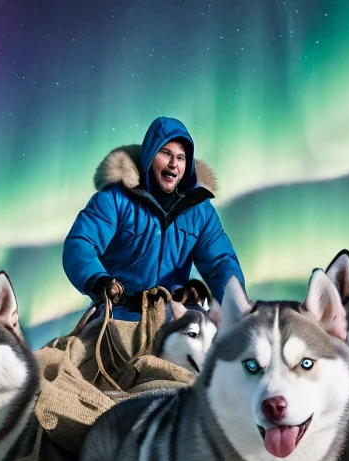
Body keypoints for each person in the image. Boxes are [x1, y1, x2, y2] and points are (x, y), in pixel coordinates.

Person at [62, 116, 244, 319]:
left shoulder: (200, 211)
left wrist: (239, 309)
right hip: (117, 315)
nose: (173, 164)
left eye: (181, 158)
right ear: (149, 156)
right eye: (165, 154)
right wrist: (99, 281)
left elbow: (220, 262)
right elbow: (81, 244)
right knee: (71, 351)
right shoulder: (115, 199)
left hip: (173, 318)